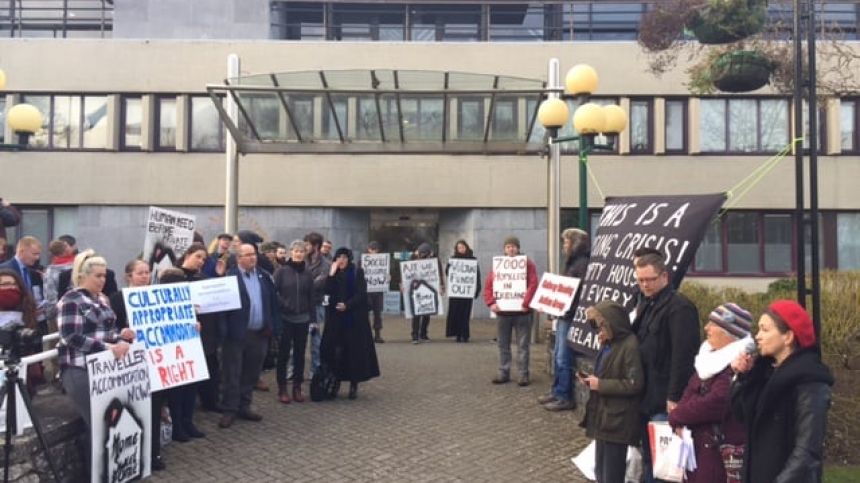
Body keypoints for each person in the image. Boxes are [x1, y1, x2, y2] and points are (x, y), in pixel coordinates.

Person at [731, 300, 833, 483]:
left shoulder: (811, 381)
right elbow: (740, 414)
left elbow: (807, 449)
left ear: (788, 337)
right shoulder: (763, 373)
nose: (757, 336)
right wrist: (742, 378)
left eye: (765, 329)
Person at [57, 250, 135, 475]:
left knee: (106, 424)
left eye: (104, 275)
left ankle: (107, 473)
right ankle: (95, 474)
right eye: (97, 276)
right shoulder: (71, 300)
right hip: (79, 369)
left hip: (105, 369)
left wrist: (122, 335)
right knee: (98, 423)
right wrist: (109, 347)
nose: (103, 280)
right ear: (82, 276)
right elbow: (70, 336)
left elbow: (107, 331)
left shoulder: (102, 298)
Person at [631, 252, 700, 482]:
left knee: (665, 464)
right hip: (645, 394)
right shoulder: (646, 303)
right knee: (650, 458)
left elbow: (684, 356)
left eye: (649, 279)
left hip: (664, 399)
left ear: (664, 277)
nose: (644, 285)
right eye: (640, 280)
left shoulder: (679, 308)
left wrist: (674, 397)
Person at [668, 303, 753, 483]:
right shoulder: (707, 358)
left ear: (729, 332)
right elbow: (690, 390)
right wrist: (680, 413)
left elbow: (717, 402)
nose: (706, 328)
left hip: (718, 451)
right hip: (700, 449)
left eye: (713, 324)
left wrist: (677, 415)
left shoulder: (739, 363)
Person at [109, 259, 167, 471]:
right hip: (130, 363)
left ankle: (154, 453)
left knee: (155, 406)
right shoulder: (117, 299)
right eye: (140, 273)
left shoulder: (156, 295)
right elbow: (111, 327)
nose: (145, 276)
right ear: (129, 276)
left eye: (147, 272)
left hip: (155, 360)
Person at [579, 300, 644, 483]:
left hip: (618, 420)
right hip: (605, 417)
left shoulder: (630, 345)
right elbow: (606, 371)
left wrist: (600, 385)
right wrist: (592, 380)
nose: (599, 330)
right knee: (601, 470)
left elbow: (634, 383)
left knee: (612, 473)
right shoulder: (609, 343)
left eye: (601, 325)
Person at [219, 243, 280, 428]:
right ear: (238, 258)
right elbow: (221, 309)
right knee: (232, 373)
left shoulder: (264, 276)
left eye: (254, 254)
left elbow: (273, 303)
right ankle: (229, 409)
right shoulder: (230, 278)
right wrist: (224, 333)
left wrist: (273, 327)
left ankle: (244, 406)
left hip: (259, 334)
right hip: (236, 335)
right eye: (247, 255)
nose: (252, 258)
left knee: (251, 373)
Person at [539, 228, 590, 411]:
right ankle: (557, 390)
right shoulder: (572, 263)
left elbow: (578, 293)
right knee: (559, 355)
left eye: (566, 242)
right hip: (564, 314)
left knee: (563, 356)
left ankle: (563, 395)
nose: (564, 246)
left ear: (575, 243)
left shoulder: (581, 264)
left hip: (569, 316)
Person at [170, 243, 215, 440]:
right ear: (187, 255)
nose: (201, 262)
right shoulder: (171, 276)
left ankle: (188, 422)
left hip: (196, 338)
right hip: (176, 340)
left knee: (192, 384)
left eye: (204, 259)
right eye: (198, 257)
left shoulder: (201, 278)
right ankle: (177, 425)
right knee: (178, 386)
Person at [321, 248, 380, 399]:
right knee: (336, 351)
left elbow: (361, 294)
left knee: (353, 351)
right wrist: (331, 275)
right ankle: (336, 382)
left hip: (353, 319)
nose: (341, 260)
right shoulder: (333, 273)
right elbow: (327, 291)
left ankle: (354, 384)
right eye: (339, 257)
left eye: (344, 257)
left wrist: (348, 305)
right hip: (336, 320)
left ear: (349, 259)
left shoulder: (356, 272)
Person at [483, 236, 538, 386]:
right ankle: (503, 373)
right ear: (504, 249)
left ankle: (523, 374)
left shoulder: (527, 264)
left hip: (523, 312)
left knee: (523, 345)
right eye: (508, 247)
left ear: (518, 248)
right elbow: (488, 286)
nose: (511, 249)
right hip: (503, 313)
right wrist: (491, 303)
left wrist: (526, 303)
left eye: (514, 246)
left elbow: (533, 284)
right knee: (503, 345)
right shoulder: (498, 265)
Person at [272, 240, 315, 405]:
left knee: (299, 354)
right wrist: (284, 305)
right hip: (285, 319)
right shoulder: (281, 272)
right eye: (296, 251)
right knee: (283, 354)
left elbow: (311, 297)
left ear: (305, 254)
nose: (298, 254)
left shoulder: (308, 273)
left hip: (303, 319)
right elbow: (273, 292)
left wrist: (314, 320)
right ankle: (282, 388)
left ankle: (297, 387)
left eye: (301, 251)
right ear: (291, 252)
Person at [0, 236, 47, 334]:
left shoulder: (34, 272)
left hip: (32, 322)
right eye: (34, 254)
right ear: (22, 251)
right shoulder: (4, 270)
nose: (37, 258)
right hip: (9, 324)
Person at [304, 232, 331, 376]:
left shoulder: (326, 264)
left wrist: (303, 284)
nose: (305, 247)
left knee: (316, 339)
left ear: (315, 246)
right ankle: (293, 370)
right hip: (301, 305)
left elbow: (317, 284)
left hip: (317, 305)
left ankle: (315, 370)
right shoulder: (302, 260)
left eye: (307, 244)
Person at [444, 240, 481, 343]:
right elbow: (448, 273)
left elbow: (477, 275)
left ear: (466, 247)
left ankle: (465, 334)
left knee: (465, 314)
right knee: (456, 313)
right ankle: (457, 334)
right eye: (459, 248)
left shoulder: (472, 260)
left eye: (462, 247)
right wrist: (449, 267)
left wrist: (477, 289)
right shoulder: (453, 259)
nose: (461, 249)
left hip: (467, 292)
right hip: (456, 293)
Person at [409, 242, 445, 343]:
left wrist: (442, 285)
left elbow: (440, 272)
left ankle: (423, 334)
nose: (423, 256)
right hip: (417, 288)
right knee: (416, 313)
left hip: (430, 288)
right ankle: (415, 335)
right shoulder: (413, 257)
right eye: (421, 254)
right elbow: (407, 271)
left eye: (425, 254)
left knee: (427, 312)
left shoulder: (435, 259)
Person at [43, 239, 75, 325]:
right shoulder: (78, 266)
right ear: (66, 250)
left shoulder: (50, 271)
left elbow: (50, 297)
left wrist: (50, 315)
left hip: (58, 316)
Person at [363, 241, 387, 344]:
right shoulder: (363, 261)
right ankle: (366, 335)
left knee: (377, 314)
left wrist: (387, 278)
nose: (374, 251)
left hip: (378, 291)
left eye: (376, 250)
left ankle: (377, 335)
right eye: (372, 249)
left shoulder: (383, 261)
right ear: (368, 249)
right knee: (365, 314)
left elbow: (385, 273)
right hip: (367, 291)